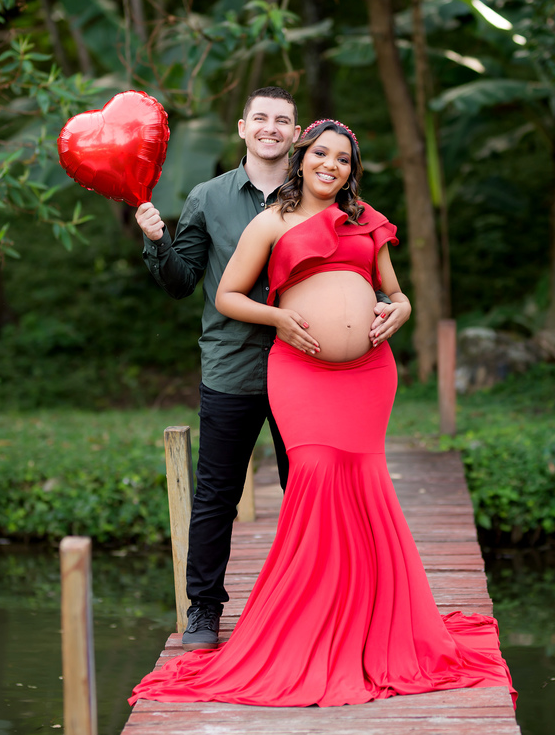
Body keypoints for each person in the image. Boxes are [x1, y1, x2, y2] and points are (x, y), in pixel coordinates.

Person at [129, 120, 516, 707]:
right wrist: (280, 318)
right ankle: (305, 622)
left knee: (364, 488)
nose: (331, 165)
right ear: (301, 158)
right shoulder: (271, 221)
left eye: (343, 158)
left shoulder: (368, 220)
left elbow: (395, 291)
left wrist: (401, 312)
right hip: (300, 370)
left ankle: (365, 620)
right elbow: (228, 295)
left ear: (350, 169)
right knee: (312, 482)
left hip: (368, 376)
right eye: (321, 154)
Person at [135, 90, 410, 651]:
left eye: (281, 120)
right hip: (233, 365)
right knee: (216, 494)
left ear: (297, 134)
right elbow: (183, 281)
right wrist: (157, 240)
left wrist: (394, 305)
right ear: (242, 127)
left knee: (309, 490)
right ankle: (204, 613)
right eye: (260, 118)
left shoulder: (328, 200)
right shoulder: (209, 197)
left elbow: (374, 274)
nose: (270, 128)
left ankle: (319, 605)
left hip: (312, 372)